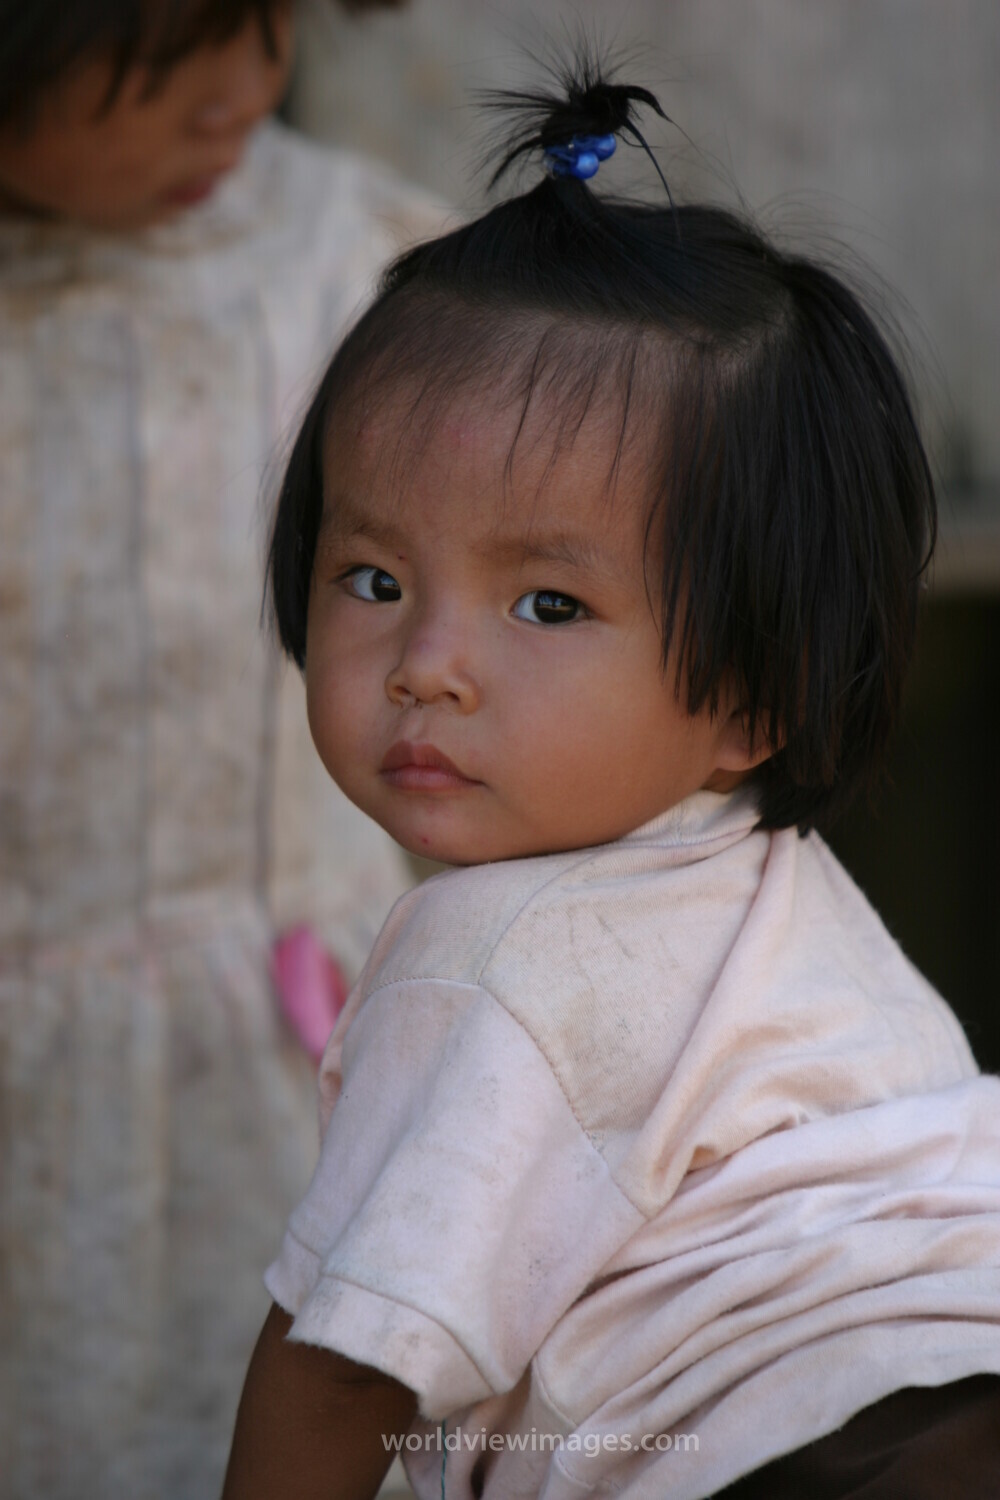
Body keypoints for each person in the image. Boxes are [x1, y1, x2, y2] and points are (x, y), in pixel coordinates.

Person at [222, 57, 1000, 1500]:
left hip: (769, 1445)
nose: (427, 664)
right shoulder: (765, 878)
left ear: (754, 696)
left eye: (549, 607)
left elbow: (342, 1371)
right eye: (376, 578)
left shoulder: (489, 961)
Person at [0, 3, 439, 1498]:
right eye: (158, 56)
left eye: (262, 25)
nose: (237, 95)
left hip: (311, 1060)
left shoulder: (359, 271)